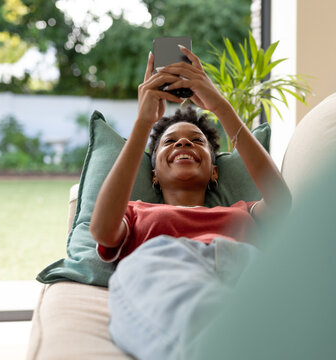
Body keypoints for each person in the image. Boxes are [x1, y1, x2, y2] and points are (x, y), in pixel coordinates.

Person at [89, 45, 291, 360]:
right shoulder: (137, 212)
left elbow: (281, 203)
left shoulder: (242, 210)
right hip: (164, 265)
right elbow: (101, 230)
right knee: (138, 270)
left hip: (244, 264)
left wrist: (220, 105)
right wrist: (143, 124)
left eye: (197, 141)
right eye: (169, 141)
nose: (183, 142)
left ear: (214, 171)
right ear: (153, 174)